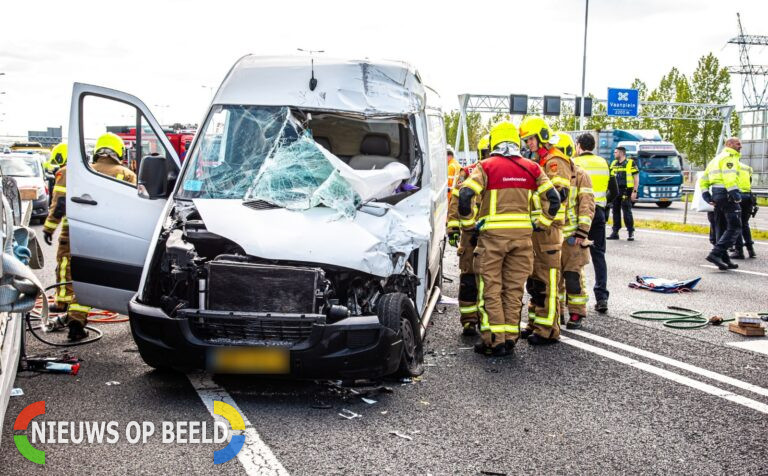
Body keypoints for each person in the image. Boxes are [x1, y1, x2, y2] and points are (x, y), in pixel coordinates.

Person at [459, 121, 560, 356]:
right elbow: (554, 199)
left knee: (490, 288)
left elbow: (465, 195)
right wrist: (542, 223)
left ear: (494, 142)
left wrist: (469, 225)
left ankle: (494, 340)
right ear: (516, 142)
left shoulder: (486, 166)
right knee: (514, 290)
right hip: (523, 240)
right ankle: (510, 338)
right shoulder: (532, 167)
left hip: (492, 240)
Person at [42, 133, 136, 340]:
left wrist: (49, 228)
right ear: (118, 152)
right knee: (95, 276)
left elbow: (59, 204)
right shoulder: (127, 175)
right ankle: (77, 317)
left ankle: (68, 308)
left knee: (71, 269)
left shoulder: (75, 171)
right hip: (110, 234)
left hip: (74, 230)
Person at [519, 116, 571, 345]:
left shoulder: (554, 161)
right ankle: (535, 323)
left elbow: (559, 197)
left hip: (548, 230)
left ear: (541, 136)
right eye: (526, 140)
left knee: (547, 279)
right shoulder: (539, 161)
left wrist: (543, 221)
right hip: (537, 230)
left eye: (530, 139)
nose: (528, 144)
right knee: (535, 280)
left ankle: (548, 330)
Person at [446, 134, 489, 336]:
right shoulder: (468, 172)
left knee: (486, 278)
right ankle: (470, 320)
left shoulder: (492, 171)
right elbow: (456, 200)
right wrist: (452, 228)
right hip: (473, 234)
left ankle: (484, 318)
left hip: (487, 234)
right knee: (470, 278)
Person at [553, 133, 595, 329]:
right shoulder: (549, 174)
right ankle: (558, 312)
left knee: (572, 276)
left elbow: (587, 204)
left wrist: (582, 232)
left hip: (572, 237)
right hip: (553, 236)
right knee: (554, 277)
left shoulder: (580, 175)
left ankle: (576, 313)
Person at [574, 133, 617, 314]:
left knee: (573, 258)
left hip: (579, 213)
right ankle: (602, 298)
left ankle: (573, 300)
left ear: (579, 146)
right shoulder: (605, 162)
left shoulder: (574, 163)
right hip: (598, 212)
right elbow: (614, 190)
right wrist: (603, 205)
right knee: (598, 255)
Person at [700, 137, 742, 270]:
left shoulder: (716, 159)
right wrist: (735, 193)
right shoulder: (730, 157)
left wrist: (706, 194)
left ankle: (724, 259)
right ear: (729, 144)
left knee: (721, 227)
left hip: (717, 195)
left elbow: (703, 179)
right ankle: (716, 254)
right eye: (738, 143)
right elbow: (729, 177)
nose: (741, 146)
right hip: (727, 194)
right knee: (735, 226)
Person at [608, 146, 638, 241]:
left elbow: (636, 177)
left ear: (621, 153)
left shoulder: (630, 163)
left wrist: (634, 191)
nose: (614, 154)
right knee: (615, 211)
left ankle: (630, 232)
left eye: (615, 152)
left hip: (626, 190)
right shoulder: (613, 163)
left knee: (627, 212)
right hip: (616, 190)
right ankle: (615, 232)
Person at [730, 161, 757, 259]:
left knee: (736, 224)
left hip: (738, 196)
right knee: (745, 223)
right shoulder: (747, 167)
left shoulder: (730, 166)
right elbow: (749, 181)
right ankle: (751, 250)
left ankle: (739, 251)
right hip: (748, 196)